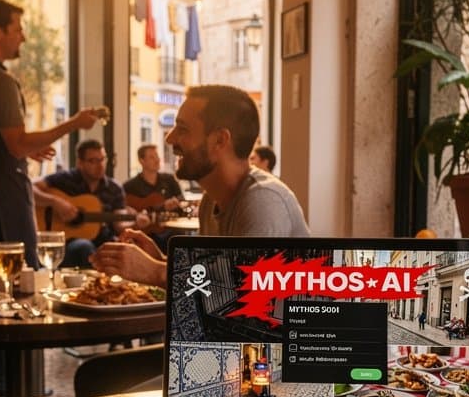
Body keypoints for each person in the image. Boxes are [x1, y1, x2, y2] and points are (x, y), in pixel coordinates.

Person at [0, 0, 102, 397]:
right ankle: (11, 382)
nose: (23, 36)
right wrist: (74, 123)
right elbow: (15, 143)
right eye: (18, 28)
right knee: (16, 283)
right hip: (2, 195)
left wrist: (22, 148)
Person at [92, 85, 309, 287]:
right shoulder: (211, 199)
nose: (170, 138)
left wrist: (156, 271)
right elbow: (216, 277)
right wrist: (159, 260)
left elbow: (244, 294)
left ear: (220, 141)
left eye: (183, 129)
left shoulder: (263, 200)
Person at [33, 139, 129, 268]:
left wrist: (134, 222)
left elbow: (119, 224)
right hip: (68, 244)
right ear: (80, 163)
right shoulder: (64, 179)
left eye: (102, 159)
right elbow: (30, 189)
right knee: (84, 247)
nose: (100, 165)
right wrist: (55, 202)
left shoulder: (115, 188)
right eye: (93, 161)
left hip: (104, 242)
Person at [123, 143, 184, 251]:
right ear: (141, 161)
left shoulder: (169, 180)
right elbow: (124, 209)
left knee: (178, 236)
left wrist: (174, 204)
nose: (157, 160)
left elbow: (181, 200)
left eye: (157, 156)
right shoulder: (130, 186)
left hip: (168, 231)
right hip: (144, 233)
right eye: (152, 157)